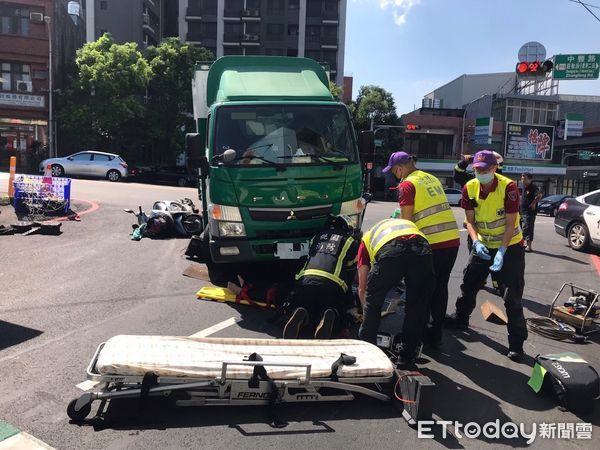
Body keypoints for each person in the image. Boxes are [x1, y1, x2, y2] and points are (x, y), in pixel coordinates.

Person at [446, 150, 528, 361]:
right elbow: (470, 221)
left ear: (494, 168)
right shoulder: (469, 187)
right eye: (476, 169)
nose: (480, 173)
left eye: (484, 169)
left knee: (512, 297)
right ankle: (461, 319)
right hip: (483, 245)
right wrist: (477, 241)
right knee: (469, 283)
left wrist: (501, 251)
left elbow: (510, 224)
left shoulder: (508, 187)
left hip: (510, 247)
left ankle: (517, 344)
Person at [382, 151, 459, 349]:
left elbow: (407, 222)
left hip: (431, 244)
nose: (395, 175)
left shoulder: (407, 184)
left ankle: (418, 337)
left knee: (421, 292)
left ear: (400, 168)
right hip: (451, 241)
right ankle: (435, 336)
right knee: (440, 289)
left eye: (394, 171)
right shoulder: (429, 177)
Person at [357, 218, 435, 364]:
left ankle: (367, 353)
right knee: (416, 307)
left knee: (373, 301)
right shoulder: (406, 225)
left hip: (390, 252)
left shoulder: (366, 238)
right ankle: (406, 355)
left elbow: (362, 288)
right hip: (422, 251)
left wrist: (368, 316)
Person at [283, 215, 360, 339]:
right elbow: (350, 274)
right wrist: (350, 303)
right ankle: (329, 315)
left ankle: (301, 313)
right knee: (337, 310)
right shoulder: (350, 242)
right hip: (331, 287)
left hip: (305, 283)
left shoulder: (316, 238)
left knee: (300, 303)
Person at [454, 151, 506, 297]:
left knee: (497, 264)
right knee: (476, 261)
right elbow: (457, 174)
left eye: (486, 168)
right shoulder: (470, 183)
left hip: (496, 234)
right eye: (479, 168)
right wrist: (465, 161)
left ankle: (498, 285)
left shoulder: (501, 182)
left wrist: (496, 160)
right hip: (475, 231)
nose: (482, 173)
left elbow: (499, 171)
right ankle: (480, 281)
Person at [520, 172, 542, 252]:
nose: (523, 180)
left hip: (529, 212)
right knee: (522, 228)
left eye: (525, 179)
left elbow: (539, 196)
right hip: (522, 211)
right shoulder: (524, 186)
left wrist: (533, 203)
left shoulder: (533, 187)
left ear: (530, 179)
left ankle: (529, 246)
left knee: (528, 228)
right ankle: (523, 244)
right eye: (522, 178)